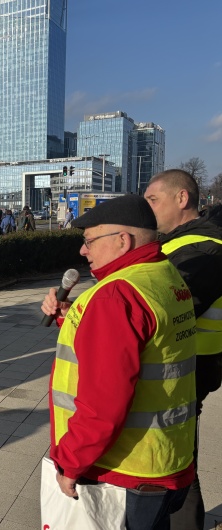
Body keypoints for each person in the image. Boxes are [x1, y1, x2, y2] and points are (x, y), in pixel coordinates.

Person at [40, 194, 197, 529]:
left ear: (122, 241)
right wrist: (72, 317)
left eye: (89, 241)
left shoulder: (115, 296)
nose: (83, 251)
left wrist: (70, 463)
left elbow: (103, 403)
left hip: (126, 467)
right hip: (166, 456)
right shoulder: (162, 275)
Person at [144, 169, 222, 530]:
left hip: (188, 367)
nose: (147, 208)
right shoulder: (184, 242)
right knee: (176, 460)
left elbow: (167, 308)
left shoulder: (203, 249)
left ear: (182, 199)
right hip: (186, 364)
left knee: (177, 464)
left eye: (152, 200)